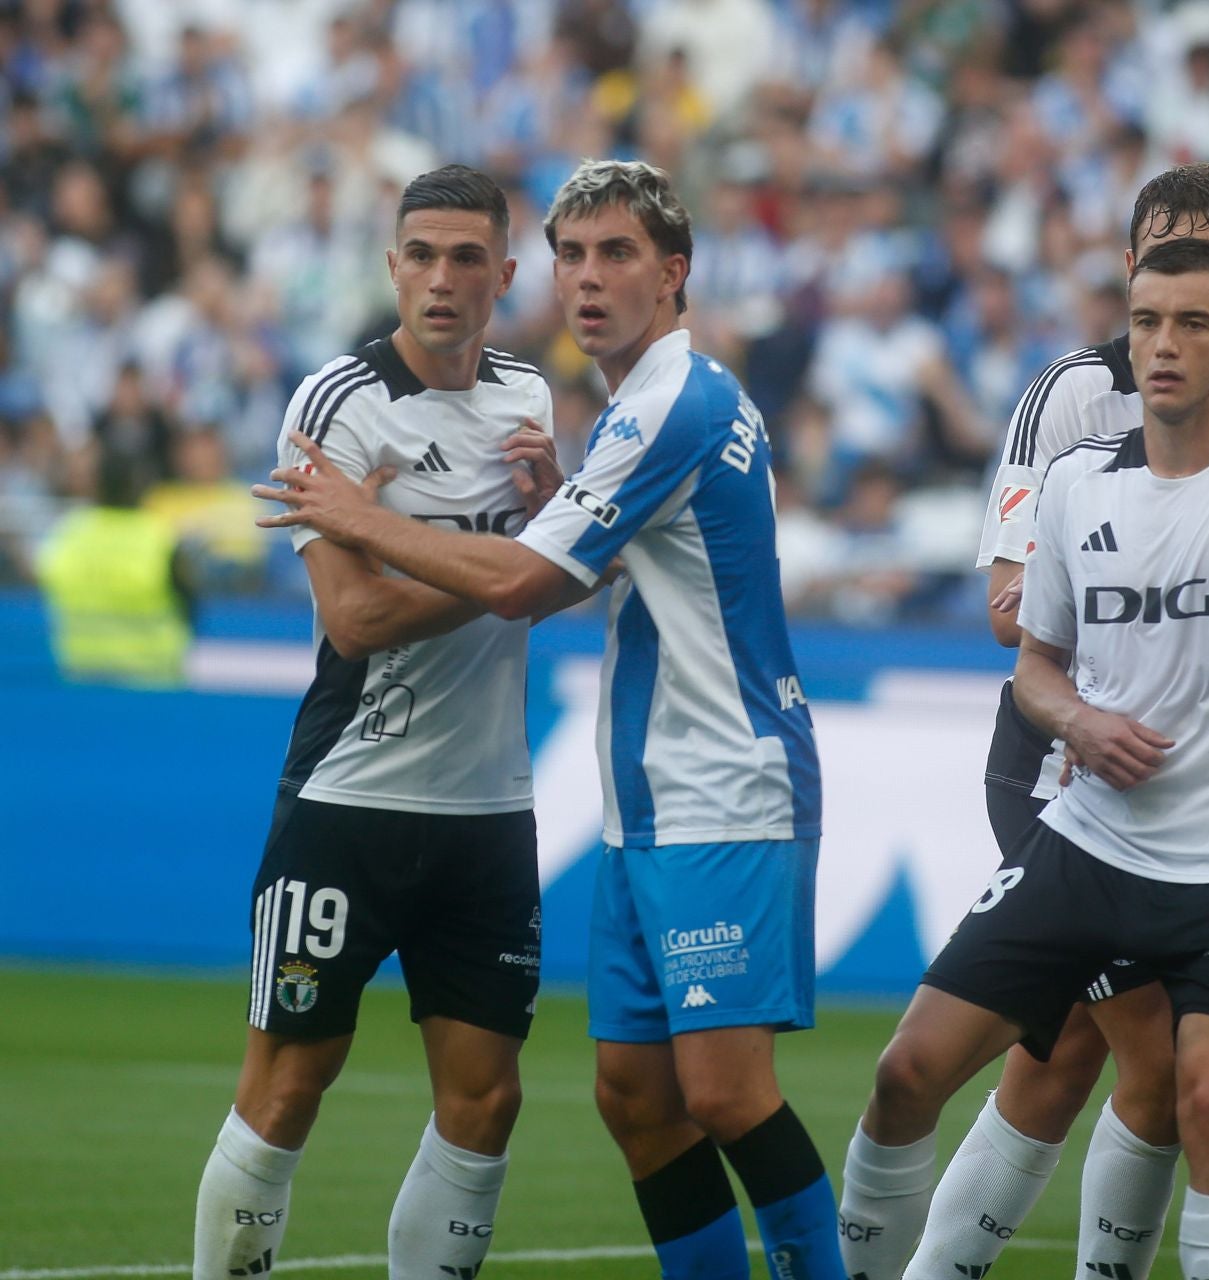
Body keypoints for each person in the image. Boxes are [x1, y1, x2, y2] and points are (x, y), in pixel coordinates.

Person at [254, 158, 842, 1280]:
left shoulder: (675, 399)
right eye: (572, 255)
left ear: (674, 274)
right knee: (635, 1095)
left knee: (721, 1090)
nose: (587, 279)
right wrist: (552, 514)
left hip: (722, 784)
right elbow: (596, 568)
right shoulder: (642, 408)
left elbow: (527, 585)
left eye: (617, 254)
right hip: (648, 798)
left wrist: (352, 514)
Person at [840, 237, 1209, 1280]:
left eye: (1193, 324)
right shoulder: (1075, 481)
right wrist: (1076, 723)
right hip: (1086, 838)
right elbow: (1036, 666)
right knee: (905, 1072)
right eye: (1149, 320)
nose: (1166, 344)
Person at [192, 164, 561, 1280]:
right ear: (391, 264)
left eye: (465, 258)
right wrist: (518, 568)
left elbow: (559, 560)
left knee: (487, 1099)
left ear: (504, 274)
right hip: (350, 797)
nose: (440, 279)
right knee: (289, 1082)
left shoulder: (531, 400)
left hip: (489, 807)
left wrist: (535, 535)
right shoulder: (336, 402)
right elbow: (353, 620)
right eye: (420, 254)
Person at [38, 450, 194, 687]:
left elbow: (42, 584)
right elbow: (191, 603)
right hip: (153, 686)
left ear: (96, 483)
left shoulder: (67, 533)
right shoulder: (161, 538)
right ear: (141, 484)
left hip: (80, 678)